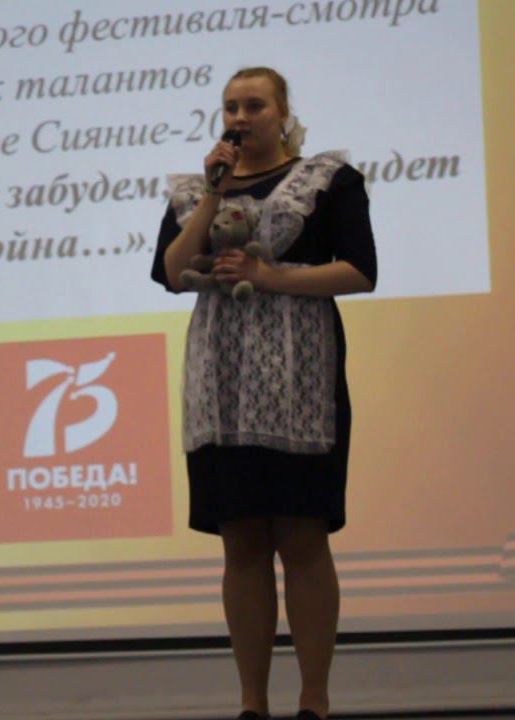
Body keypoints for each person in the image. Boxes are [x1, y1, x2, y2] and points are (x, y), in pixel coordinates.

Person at [150, 67, 377, 720]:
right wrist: (212, 196)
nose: (240, 117)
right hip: (221, 389)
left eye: (254, 105)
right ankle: (252, 703)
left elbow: (360, 271)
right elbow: (172, 273)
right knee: (242, 543)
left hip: (300, 382)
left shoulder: (328, 180)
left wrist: (269, 276)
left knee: (302, 538)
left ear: (282, 114)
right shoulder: (196, 189)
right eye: (230, 107)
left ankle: (314, 702)